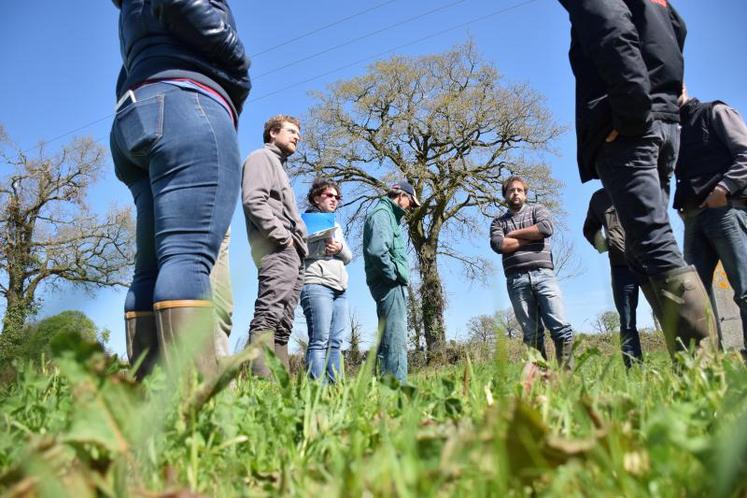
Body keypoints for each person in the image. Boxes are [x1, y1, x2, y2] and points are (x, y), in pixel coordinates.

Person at [557, 0, 717, 355]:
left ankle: (703, 367)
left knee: (654, 243)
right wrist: (665, 95)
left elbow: (612, 31)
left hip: (632, 130)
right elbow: (678, 30)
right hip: (662, 125)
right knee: (641, 248)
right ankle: (688, 360)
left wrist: (630, 115)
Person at [111, 0, 250, 380]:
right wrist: (239, 64)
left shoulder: (129, 10)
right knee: (186, 257)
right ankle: (193, 409)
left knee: (150, 267)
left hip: (135, 114)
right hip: (188, 106)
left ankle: (148, 396)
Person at [675, 87, 747, 360]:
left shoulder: (716, 112)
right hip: (693, 220)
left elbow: (745, 154)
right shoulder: (673, 130)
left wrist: (724, 189)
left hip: (726, 212)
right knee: (694, 298)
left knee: (744, 289)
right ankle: (709, 364)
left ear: (680, 86)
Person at [242, 115, 307, 377]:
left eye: (298, 134)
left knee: (283, 324)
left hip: (294, 254)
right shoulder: (261, 158)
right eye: (291, 131)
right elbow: (253, 201)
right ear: (272, 133)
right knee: (268, 316)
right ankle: (262, 387)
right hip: (278, 250)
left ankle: (281, 390)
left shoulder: (280, 166)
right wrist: (283, 237)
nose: (296, 137)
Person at [490, 176, 574, 368]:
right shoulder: (498, 222)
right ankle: (542, 382)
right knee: (532, 335)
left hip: (543, 275)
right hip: (516, 280)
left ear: (525, 194)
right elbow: (499, 244)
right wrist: (532, 237)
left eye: (519, 190)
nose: (516, 193)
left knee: (560, 328)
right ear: (505, 195)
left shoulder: (538, 210)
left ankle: (567, 381)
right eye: (511, 190)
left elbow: (545, 228)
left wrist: (513, 235)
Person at [363, 180, 420, 383]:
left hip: (388, 282)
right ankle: (397, 388)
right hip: (388, 284)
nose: (410, 208)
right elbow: (378, 251)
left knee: (388, 335)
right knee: (395, 338)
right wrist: (394, 275)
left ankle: (386, 384)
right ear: (401, 196)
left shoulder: (388, 216)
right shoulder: (382, 214)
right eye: (411, 203)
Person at [300, 178, 352, 382]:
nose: (334, 200)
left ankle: (335, 390)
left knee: (336, 342)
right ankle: (317, 392)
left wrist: (338, 248)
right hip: (316, 284)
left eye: (337, 197)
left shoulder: (336, 224)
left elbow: (348, 256)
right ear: (315, 198)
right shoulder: (302, 222)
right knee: (319, 341)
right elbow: (300, 252)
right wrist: (323, 248)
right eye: (329, 195)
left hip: (340, 288)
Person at [583, 188, 643, 368]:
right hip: (621, 266)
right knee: (627, 320)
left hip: (651, 259)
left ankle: (682, 362)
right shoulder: (599, 198)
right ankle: (634, 369)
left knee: (667, 311)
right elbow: (589, 229)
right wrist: (606, 245)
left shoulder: (638, 183)